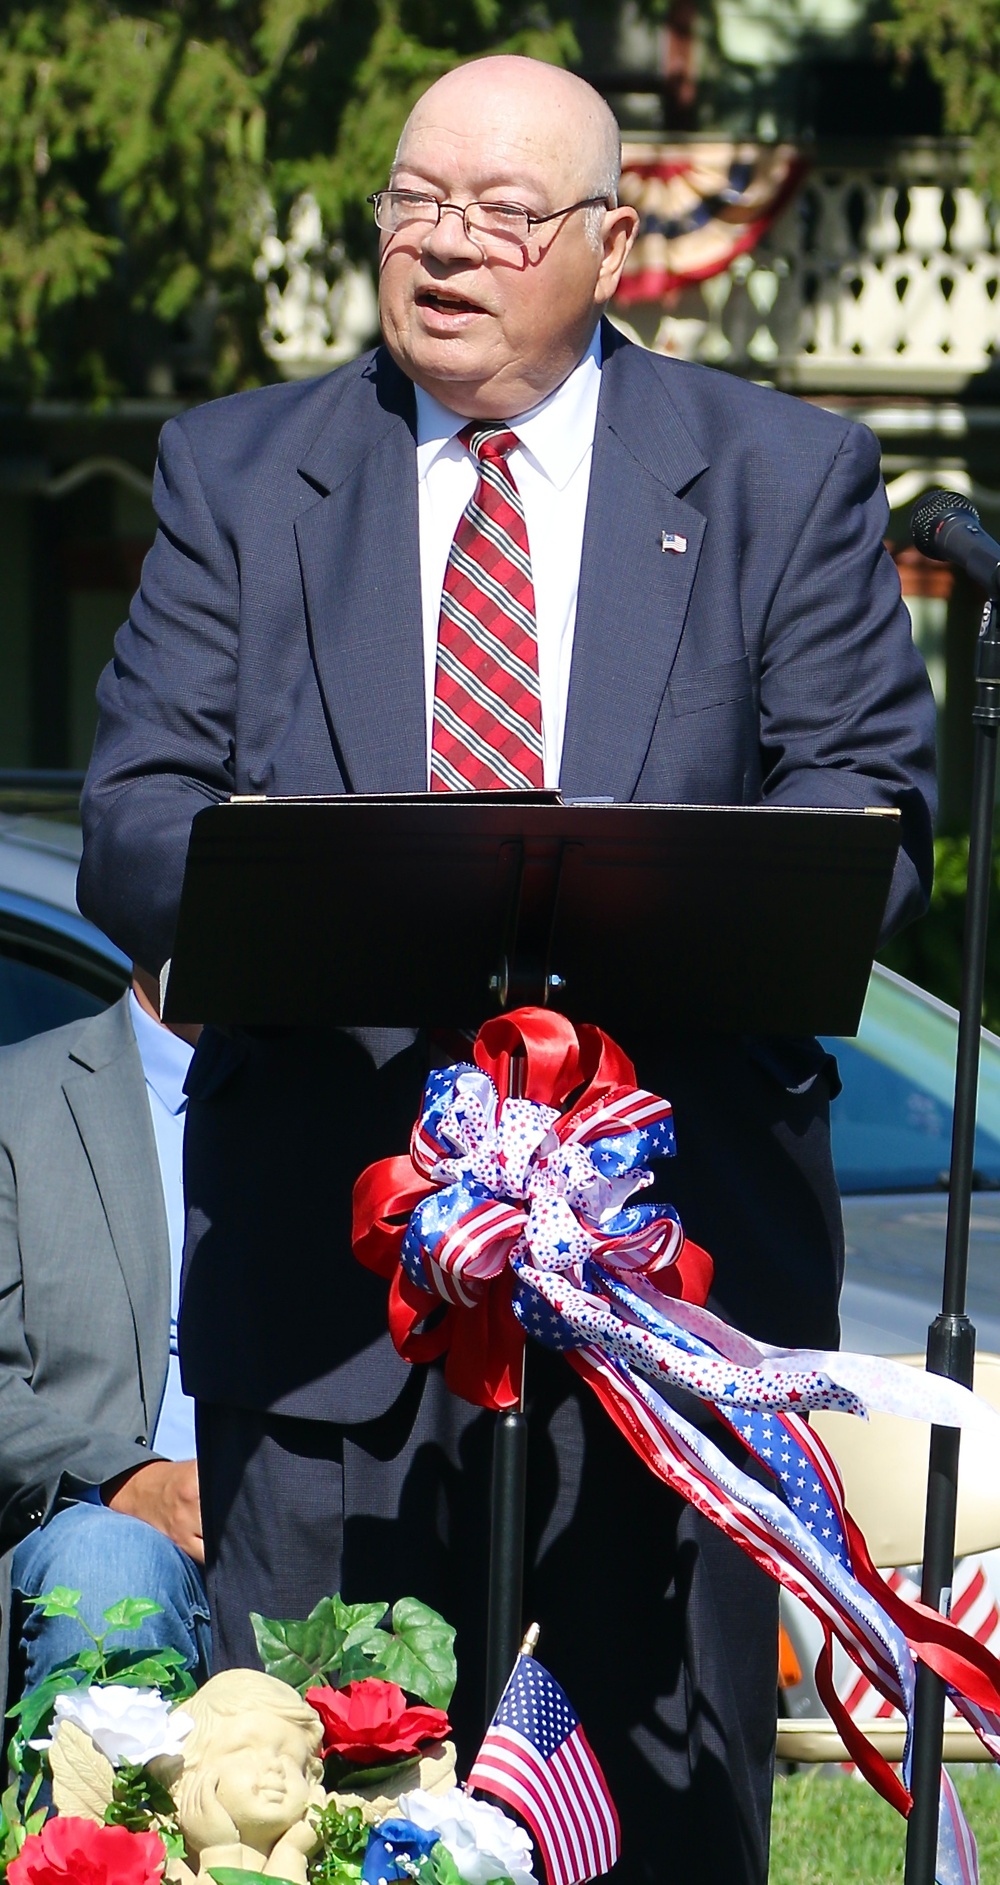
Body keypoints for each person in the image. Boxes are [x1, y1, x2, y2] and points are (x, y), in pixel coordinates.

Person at [76, 54, 936, 1884]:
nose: (444, 247)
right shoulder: (240, 474)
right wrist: (321, 897)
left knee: (659, 1828)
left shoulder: (786, 478)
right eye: (414, 204)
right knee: (305, 1822)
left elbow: (871, 823)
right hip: (334, 1297)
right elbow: (139, 821)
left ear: (614, 245)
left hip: (670, 1291)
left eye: (503, 215)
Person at [0, 972, 210, 1702]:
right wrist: (135, 1483)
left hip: (297, 1560)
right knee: (107, 1564)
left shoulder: (349, 1110)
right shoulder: (16, 1098)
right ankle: (98, 1821)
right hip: (101, 1543)